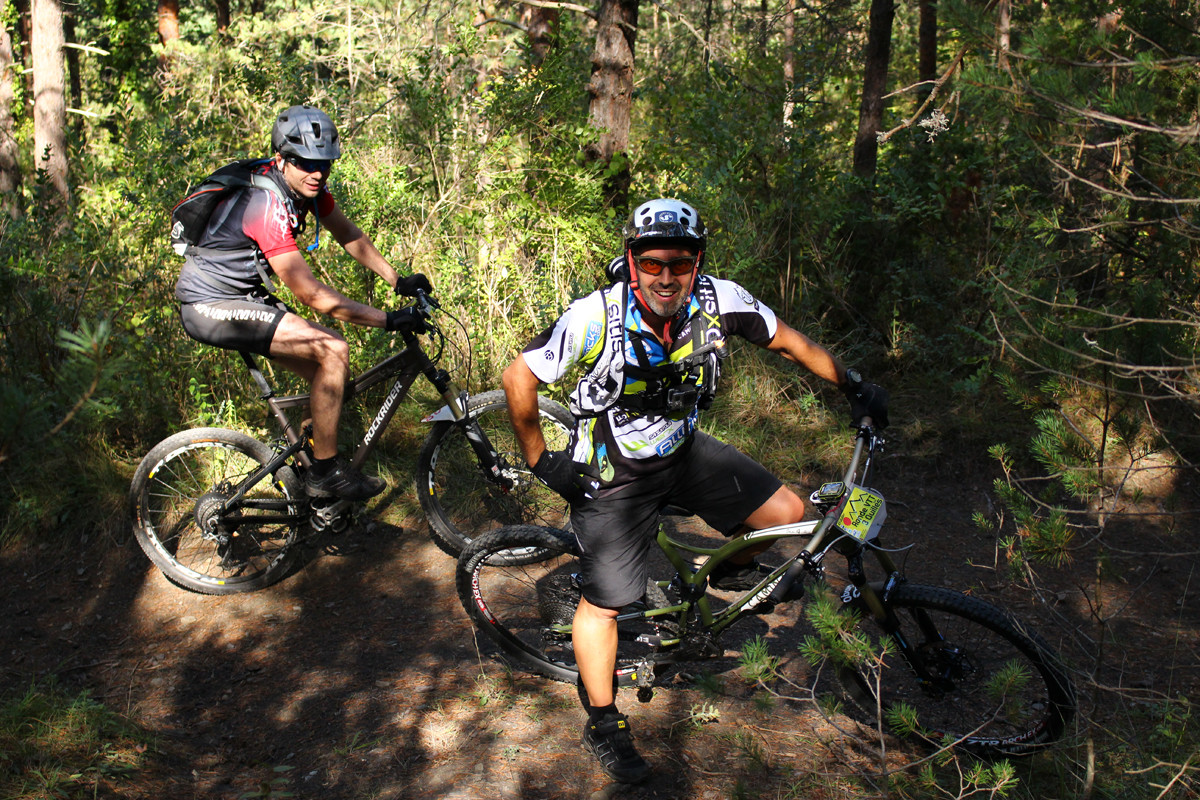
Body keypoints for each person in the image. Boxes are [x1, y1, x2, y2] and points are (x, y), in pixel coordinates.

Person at [501, 198, 888, 783]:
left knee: (785, 513)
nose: (665, 276)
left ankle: (725, 574)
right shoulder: (596, 315)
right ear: (631, 260)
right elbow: (519, 375)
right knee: (605, 604)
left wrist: (852, 383)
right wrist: (540, 460)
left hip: (682, 450)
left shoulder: (718, 300)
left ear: (696, 262)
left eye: (679, 264)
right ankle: (603, 720)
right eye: (651, 263)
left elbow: (787, 341)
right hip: (614, 471)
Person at [175, 104, 432, 501]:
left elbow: (348, 233)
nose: (317, 173)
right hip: (209, 302)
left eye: (325, 165)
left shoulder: (306, 190)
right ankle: (325, 477)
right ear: (281, 160)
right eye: (306, 163)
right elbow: (311, 295)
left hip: (243, 295)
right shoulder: (266, 205)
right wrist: (388, 320)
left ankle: (310, 462)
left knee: (330, 372)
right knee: (333, 348)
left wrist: (397, 279)